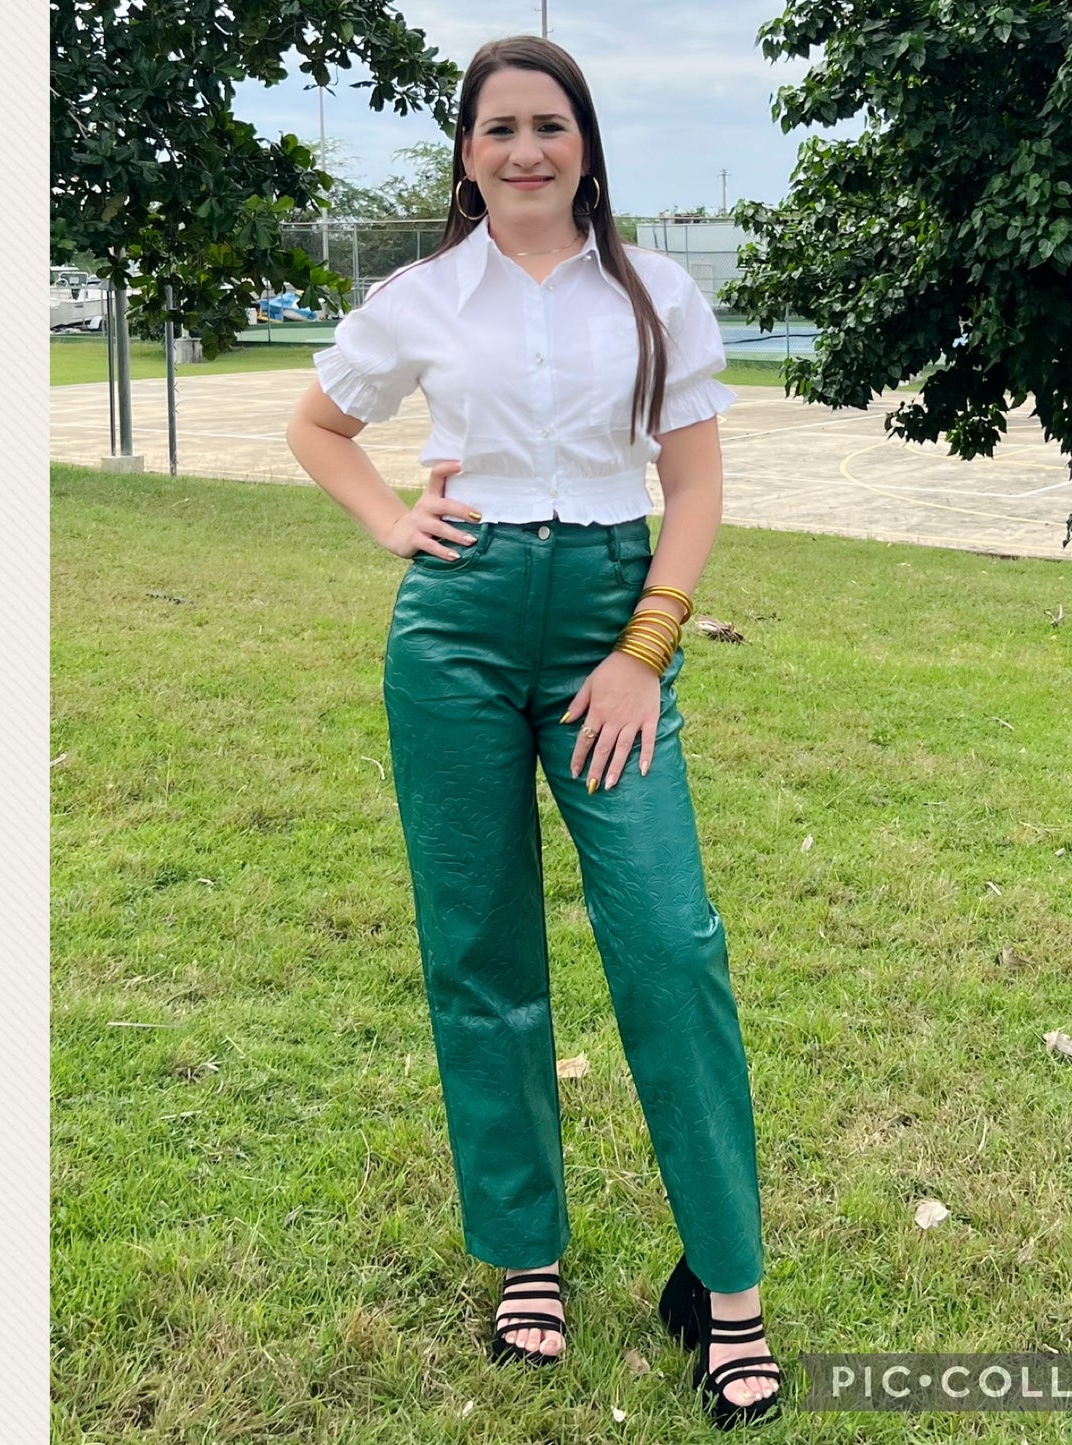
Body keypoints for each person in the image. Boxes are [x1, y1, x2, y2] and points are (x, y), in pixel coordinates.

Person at [285, 34, 782, 1429]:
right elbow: (320, 425)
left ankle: (725, 1288)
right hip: (455, 625)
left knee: (668, 941)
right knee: (480, 945)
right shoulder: (420, 297)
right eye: (497, 126)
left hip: (608, 624)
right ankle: (525, 1255)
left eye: (547, 124)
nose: (523, 150)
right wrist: (393, 519)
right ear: (464, 150)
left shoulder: (656, 295)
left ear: (585, 144)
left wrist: (642, 652)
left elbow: (689, 483)